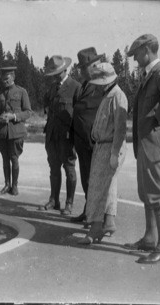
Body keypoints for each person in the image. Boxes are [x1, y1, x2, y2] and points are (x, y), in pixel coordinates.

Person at [124, 34, 160, 264]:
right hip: (146, 143)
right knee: (146, 193)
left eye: (136, 54)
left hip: (154, 142)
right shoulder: (149, 74)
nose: (135, 59)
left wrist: (159, 116)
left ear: (146, 50)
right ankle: (150, 238)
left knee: (158, 196)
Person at [77, 62, 128, 244]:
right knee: (105, 186)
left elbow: (121, 129)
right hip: (102, 145)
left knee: (98, 187)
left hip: (110, 146)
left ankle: (96, 228)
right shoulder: (109, 94)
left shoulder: (118, 96)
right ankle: (108, 223)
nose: (97, 88)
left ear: (107, 82)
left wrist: (115, 154)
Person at [69, 47, 105, 226]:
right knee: (86, 179)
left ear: (95, 65)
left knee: (95, 180)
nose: (81, 70)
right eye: (81, 67)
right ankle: (88, 211)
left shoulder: (103, 84)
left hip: (94, 142)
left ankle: (97, 217)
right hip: (82, 142)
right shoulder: (84, 85)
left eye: (85, 67)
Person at [39, 55, 80, 215]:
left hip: (67, 137)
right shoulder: (52, 88)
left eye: (57, 73)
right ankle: (54, 200)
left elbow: (79, 114)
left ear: (65, 70)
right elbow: (46, 103)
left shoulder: (75, 87)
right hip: (52, 135)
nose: (55, 77)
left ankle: (69, 203)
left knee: (69, 169)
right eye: (53, 74)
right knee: (53, 169)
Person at [0, 65, 32, 196]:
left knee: (14, 159)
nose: (4, 81)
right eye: (3, 79)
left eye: (7, 78)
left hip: (16, 132)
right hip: (2, 132)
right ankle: (6, 184)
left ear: (13, 77)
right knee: (5, 159)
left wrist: (14, 116)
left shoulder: (22, 92)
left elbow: (28, 112)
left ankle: (14, 186)